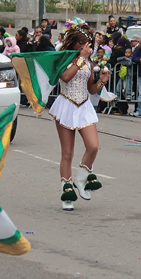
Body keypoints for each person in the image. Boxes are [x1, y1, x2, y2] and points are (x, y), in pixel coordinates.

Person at [48, 24, 109, 210]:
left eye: (88, 44)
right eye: (82, 44)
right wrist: (80, 59)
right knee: (67, 153)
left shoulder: (89, 63)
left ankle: (82, 180)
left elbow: (90, 89)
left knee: (93, 146)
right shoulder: (64, 59)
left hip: (84, 106)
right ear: (74, 43)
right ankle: (66, 192)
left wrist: (101, 81)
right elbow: (65, 78)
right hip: (66, 105)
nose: (86, 47)